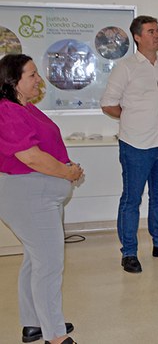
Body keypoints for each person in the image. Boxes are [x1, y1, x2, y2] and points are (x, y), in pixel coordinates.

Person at [0, 54, 84, 344]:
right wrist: (67, 173)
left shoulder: (26, 107)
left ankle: (34, 323)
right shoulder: (6, 111)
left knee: (34, 261)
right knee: (48, 265)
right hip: (28, 196)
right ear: (13, 82)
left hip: (40, 195)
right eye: (32, 75)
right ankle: (55, 336)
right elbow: (31, 158)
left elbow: (47, 147)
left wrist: (68, 167)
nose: (39, 80)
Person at [101, 15, 158, 274]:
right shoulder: (125, 68)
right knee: (131, 200)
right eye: (151, 31)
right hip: (135, 145)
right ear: (137, 37)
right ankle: (129, 252)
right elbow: (108, 103)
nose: (157, 35)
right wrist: (132, 118)